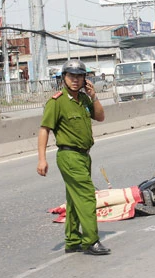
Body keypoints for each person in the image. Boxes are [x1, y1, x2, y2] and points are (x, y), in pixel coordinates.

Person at [36, 59, 111, 255]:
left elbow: (101, 117)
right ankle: (90, 241)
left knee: (74, 199)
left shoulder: (85, 99)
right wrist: (42, 159)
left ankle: (72, 240)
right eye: (71, 76)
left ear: (85, 79)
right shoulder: (57, 102)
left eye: (79, 76)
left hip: (84, 156)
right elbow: (44, 129)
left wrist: (94, 96)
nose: (75, 80)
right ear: (64, 78)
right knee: (86, 197)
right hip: (69, 156)